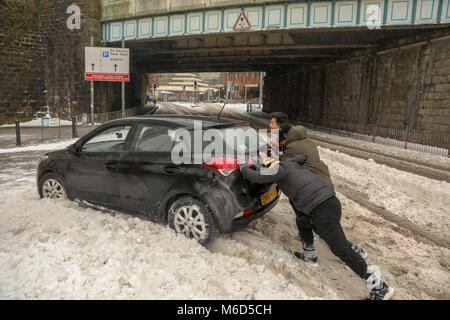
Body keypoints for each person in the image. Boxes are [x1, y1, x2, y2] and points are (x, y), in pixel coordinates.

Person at [240, 156, 395, 300]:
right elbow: (302, 157)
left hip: (321, 210)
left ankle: (380, 288)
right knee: (302, 220)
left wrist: (243, 167)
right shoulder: (291, 163)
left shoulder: (278, 173)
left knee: (341, 250)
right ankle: (309, 254)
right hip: (330, 201)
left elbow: (255, 177)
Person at [267, 121, 368, 263]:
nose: (281, 144)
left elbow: (283, 164)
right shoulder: (304, 140)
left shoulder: (293, 148)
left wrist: (270, 154)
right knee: (314, 224)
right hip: (320, 186)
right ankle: (320, 252)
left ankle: (347, 252)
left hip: (314, 192)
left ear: (285, 136)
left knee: (317, 225)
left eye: (281, 141)